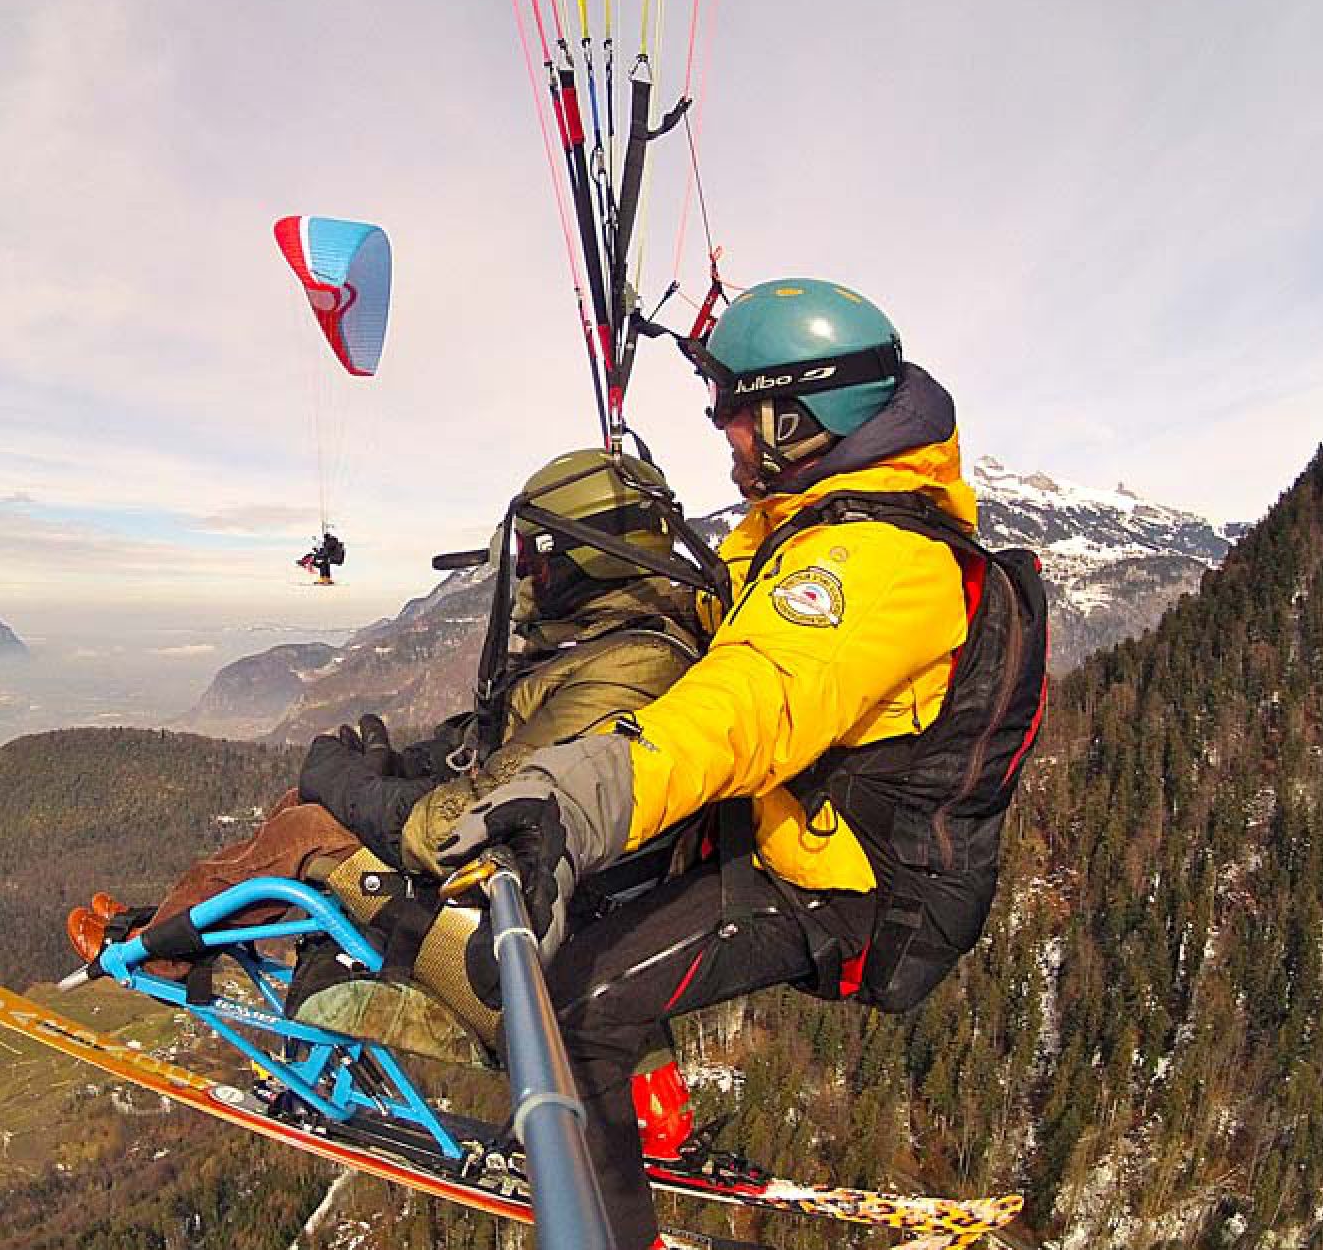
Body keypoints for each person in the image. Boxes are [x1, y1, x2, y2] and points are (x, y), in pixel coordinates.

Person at [383, 278, 1048, 1247]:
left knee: (577, 1007)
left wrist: (578, 799)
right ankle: (645, 1117)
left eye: (735, 414)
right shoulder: (811, 522)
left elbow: (744, 703)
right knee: (600, 905)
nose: (723, 434)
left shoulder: (869, 567)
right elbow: (727, 628)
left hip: (840, 886)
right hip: (785, 829)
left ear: (795, 414)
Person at [66, 449, 707, 1073]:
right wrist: (389, 764)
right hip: (509, 895)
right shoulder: (594, 649)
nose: (530, 579)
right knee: (304, 809)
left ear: (582, 561)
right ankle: (170, 929)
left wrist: (349, 783)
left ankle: (152, 953)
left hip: (524, 938)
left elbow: (473, 819)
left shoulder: (631, 668)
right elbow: (487, 752)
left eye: (538, 560)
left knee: (306, 827)